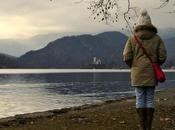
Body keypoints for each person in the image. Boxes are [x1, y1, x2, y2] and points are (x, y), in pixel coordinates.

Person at [123, 9, 167, 130]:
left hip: (137, 73)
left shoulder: (132, 39)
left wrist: (134, 65)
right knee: (150, 99)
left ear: (139, 24)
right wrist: (157, 64)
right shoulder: (157, 39)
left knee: (140, 98)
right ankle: (149, 127)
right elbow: (163, 56)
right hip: (152, 73)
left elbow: (126, 56)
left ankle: (143, 127)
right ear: (150, 24)